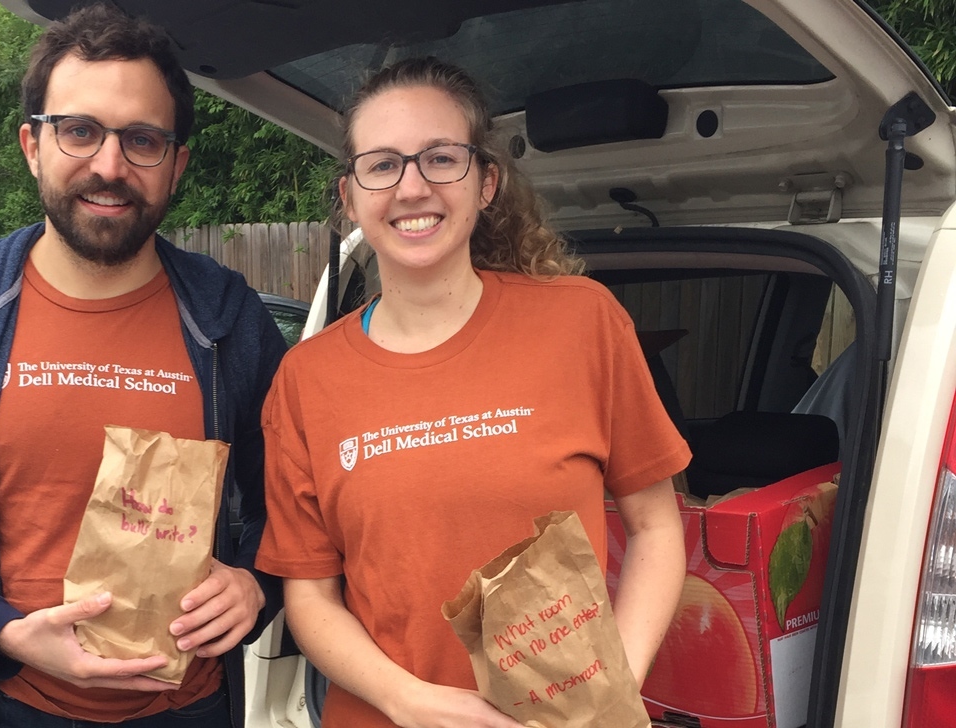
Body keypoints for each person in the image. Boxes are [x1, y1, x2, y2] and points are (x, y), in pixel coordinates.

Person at [0, 5, 286, 727]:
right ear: (32, 145)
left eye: (142, 140)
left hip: (190, 709)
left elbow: (294, 502)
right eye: (79, 131)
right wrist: (5, 633)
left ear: (176, 163)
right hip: (3, 703)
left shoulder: (225, 316)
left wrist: (258, 582)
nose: (109, 167)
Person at [255, 57, 690, 728]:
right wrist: (410, 702)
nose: (411, 187)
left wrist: (613, 687)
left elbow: (657, 527)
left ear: (486, 181)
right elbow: (309, 598)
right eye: (382, 164)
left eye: (440, 158)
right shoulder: (306, 380)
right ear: (350, 197)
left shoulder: (582, 321)